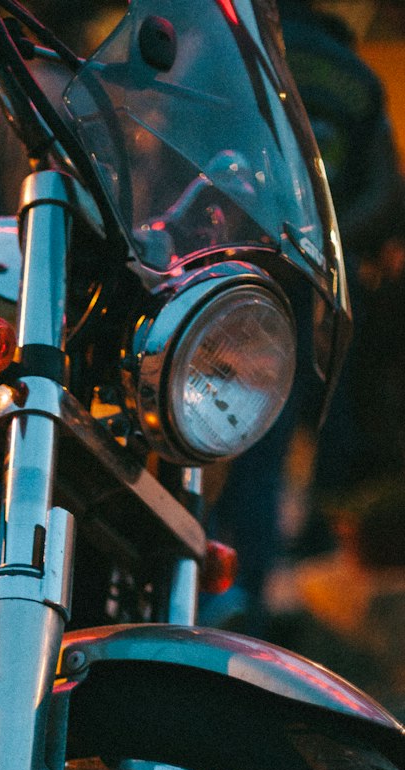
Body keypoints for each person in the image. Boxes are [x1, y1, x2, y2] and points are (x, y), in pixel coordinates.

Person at [207, 0, 403, 633]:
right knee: (296, 434)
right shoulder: (359, 78)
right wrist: (331, 241)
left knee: (230, 436)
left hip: (245, 273)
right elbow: (385, 188)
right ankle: (262, 587)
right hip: (324, 289)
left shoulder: (247, 57)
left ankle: (223, 588)